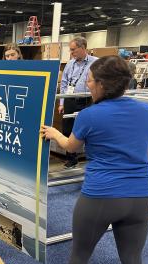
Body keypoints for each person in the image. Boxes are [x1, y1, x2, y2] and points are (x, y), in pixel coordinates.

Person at [40, 55, 148, 264]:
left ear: (102, 85)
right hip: (141, 196)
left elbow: (70, 146)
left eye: (90, 80)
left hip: (101, 195)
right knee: (133, 261)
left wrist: (54, 133)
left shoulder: (89, 115)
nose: (87, 85)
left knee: (80, 254)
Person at [59, 37, 98, 168]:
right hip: (70, 99)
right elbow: (64, 83)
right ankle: (71, 158)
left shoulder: (95, 63)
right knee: (68, 129)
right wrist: (62, 102)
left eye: (73, 50)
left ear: (83, 48)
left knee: (89, 129)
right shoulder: (70, 63)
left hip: (87, 100)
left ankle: (91, 157)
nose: (71, 53)